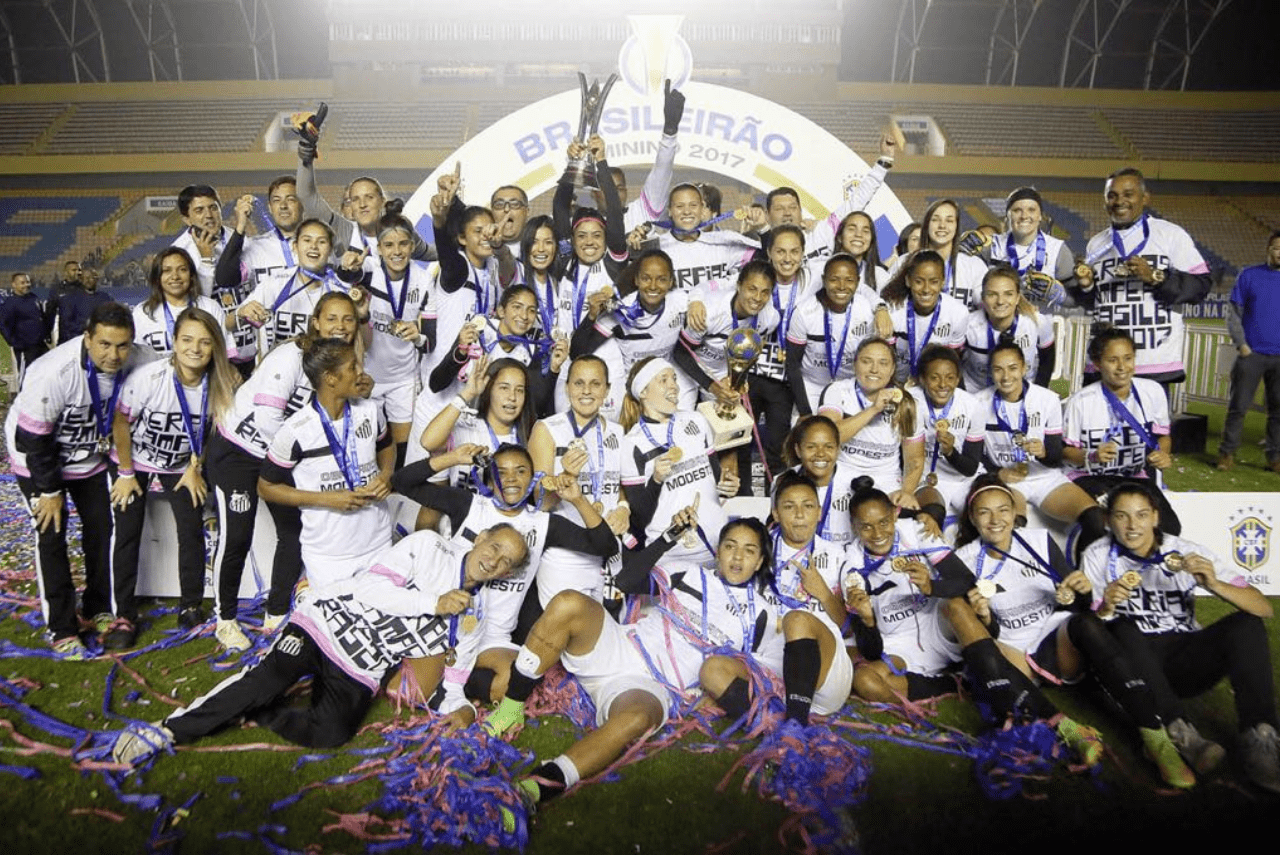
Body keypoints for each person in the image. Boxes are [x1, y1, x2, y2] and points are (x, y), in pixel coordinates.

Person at [110, 522, 532, 763]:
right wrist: (432, 602)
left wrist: (462, 713)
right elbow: (369, 590)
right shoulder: (430, 547)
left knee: (331, 733)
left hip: (361, 666)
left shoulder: (473, 619)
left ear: (507, 572)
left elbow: (454, 683)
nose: (494, 559)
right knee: (265, 680)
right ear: (479, 539)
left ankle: (259, 712)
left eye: (506, 561)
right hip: (323, 623)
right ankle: (167, 731)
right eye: (494, 546)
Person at [481, 515, 781, 808]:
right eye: (730, 545)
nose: (737, 556)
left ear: (760, 561)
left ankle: (537, 787)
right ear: (718, 551)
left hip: (652, 686)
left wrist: (709, 695)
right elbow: (626, 580)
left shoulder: (763, 615)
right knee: (568, 602)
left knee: (637, 719)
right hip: (622, 646)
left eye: (749, 550)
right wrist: (667, 538)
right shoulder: (688, 572)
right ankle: (511, 707)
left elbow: (752, 674)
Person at [954, 476, 1195, 788]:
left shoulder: (1039, 540)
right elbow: (979, 631)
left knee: (1086, 624)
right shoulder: (963, 559)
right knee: (987, 652)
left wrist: (1081, 588)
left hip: (1055, 642)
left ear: (1015, 513)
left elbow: (1075, 599)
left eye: (1003, 510)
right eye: (985, 513)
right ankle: (1069, 729)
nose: (995, 520)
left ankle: (1155, 738)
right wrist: (984, 615)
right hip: (1013, 654)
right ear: (973, 518)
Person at [843, 483, 1105, 766]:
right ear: (854, 528)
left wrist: (931, 585)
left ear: (894, 515)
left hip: (939, 624)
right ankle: (964, 682)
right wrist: (867, 620)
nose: (878, 533)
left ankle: (1059, 723)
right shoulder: (852, 566)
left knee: (955, 605)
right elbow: (870, 650)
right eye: (866, 527)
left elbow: (965, 582)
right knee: (865, 681)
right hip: (900, 645)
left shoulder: (916, 530)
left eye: (883, 522)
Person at [1080, 482, 1280, 793]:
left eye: (1141, 515)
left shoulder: (1186, 551)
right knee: (1122, 627)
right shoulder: (1097, 555)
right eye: (1121, 516)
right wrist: (1107, 605)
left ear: (1156, 517)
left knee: (1246, 624)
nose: (1132, 526)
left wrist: (1215, 584)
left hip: (1185, 656)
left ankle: (1261, 735)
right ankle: (1180, 733)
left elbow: (1263, 608)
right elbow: (1089, 633)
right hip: (1136, 666)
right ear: (1107, 521)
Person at [390, 443, 618, 703]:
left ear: (533, 479)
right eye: (502, 471)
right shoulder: (469, 505)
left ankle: (452, 682)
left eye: (520, 471)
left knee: (514, 682)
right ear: (489, 478)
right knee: (407, 695)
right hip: (444, 626)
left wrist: (578, 499)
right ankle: (441, 675)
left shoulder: (543, 524)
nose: (510, 478)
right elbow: (402, 482)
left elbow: (606, 546)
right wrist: (452, 458)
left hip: (493, 638)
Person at [207, 293, 363, 643]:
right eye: (332, 319)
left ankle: (276, 613)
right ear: (316, 323)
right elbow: (267, 420)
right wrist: (302, 463)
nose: (339, 326)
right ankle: (225, 619)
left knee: (293, 532)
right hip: (240, 452)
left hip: (278, 455)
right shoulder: (292, 356)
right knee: (237, 535)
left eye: (348, 319)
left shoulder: (344, 365)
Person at [5, 302, 155, 659]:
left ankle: (97, 606)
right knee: (51, 532)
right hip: (38, 457)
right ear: (87, 338)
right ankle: (61, 627)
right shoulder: (53, 371)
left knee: (102, 527)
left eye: (122, 345)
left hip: (89, 456)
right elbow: (32, 438)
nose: (114, 355)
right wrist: (50, 490)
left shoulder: (144, 360)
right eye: (104, 344)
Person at [105, 308, 239, 648]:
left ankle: (190, 603)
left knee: (191, 529)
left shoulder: (222, 383)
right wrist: (125, 472)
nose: (195, 349)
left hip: (182, 463)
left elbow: (214, 433)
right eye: (187, 340)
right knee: (126, 530)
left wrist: (196, 468)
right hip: (133, 458)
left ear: (215, 347)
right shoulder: (149, 378)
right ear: (174, 342)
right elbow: (122, 423)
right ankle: (123, 613)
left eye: (205, 342)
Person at [258, 337, 396, 600]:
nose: (361, 373)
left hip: (378, 543)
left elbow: (387, 446)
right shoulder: (295, 430)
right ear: (330, 378)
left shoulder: (370, 410)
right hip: (328, 555)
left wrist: (386, 475)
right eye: (353, 367)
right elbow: (266, 487)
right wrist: (327, 499)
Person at [1070, 167, 1212, 388]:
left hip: (1152, 364)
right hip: (1104, 363)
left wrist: (1155, 277)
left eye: (1128, 194)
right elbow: (1096, 303)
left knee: (1150, 424)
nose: (1119, 201)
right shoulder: (1096, 244)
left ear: (1145, 197)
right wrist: (1087, 286)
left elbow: (1201, 286)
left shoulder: (1170, 234)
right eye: (1112, 195)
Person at [977, 341, 1106, 557]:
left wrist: (1044, 453)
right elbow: (975, 454)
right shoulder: (978, 403)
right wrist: (997, 472)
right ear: (991, 372)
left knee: (1094, 518)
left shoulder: (1046, 399)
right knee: (1013, 525)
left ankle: (1082, 577)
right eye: (998, 369)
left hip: (1044, 477)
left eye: (1012, 368)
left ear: (1024, 368)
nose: (1006, 376)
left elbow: (1055, 457)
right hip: (1007, 480)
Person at [529, 355, 630, 610]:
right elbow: (540, 503)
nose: (586, 391)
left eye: (595, 384)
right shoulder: (547, 429)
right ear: (566, 387)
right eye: (578, 383)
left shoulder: (618, 432)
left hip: (608, 551)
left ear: (607, 389)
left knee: (605, 637)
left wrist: (623, 508)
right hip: (566, 556)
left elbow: (616, 485)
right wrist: (566, 477)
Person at [618, 357, 734, 563]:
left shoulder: (697, 420)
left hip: (718, 543)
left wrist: (727, 486)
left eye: (674, 379)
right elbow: (639, 519)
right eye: (663, 380)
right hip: (672, 555)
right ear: (643, 392)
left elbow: (715, 480)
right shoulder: (631, 444)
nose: (674, 386)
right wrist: (656, 480)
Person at [1063, 327, 1178, 533]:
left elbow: (1163, 436)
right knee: (1108, 523)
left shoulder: (1152, 392)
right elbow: (1066, 451)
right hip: (1089, 477)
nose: (1122, 367)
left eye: (1127, 358)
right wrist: (1092, 456)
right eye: (1112, 360)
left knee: (1169, 527)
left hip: (1134, 476)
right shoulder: (1081, 401)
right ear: (1098, 364)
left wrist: (1163, 453)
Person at [818, 338, 926, 514]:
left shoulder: (907, 403)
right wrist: (873, 410)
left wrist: (906, 492)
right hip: (841, 474)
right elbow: (828, 439)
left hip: (887, 480)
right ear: (855, 365)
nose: (874, 369)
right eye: (866, 361)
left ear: (892, 370)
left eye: (883, 363)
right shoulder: (837, 391)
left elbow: (914, 459)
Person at [234, 218, 353, 353]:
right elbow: (229, 324)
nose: (313, 246)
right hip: (277, 370)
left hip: (323, 370)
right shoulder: (275, 283)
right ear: (295, 246)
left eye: (321, 241)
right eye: (307, 240)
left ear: (330, 249)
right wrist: (241, 312)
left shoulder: (339, 290)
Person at [785, 253, 882, 415]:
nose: (842, 286)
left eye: (849, 280)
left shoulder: (865, 309)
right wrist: (805, 412)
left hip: (851, 386)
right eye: (834, 279)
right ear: (824, 280)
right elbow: (793, 365)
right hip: (812, 386)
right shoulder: (804, 312)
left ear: (858, 282)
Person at [1218, 230, 1280, 473]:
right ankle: (1227, 453)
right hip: (1251, 355)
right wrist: (1242, 345)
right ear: (1268, 249)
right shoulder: (1250, 275)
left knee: (1278, 412)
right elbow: (1233, 312)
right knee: (1238, 407)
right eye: (1276, 247)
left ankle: (1275, 457)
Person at [961, 186, 1075, 312]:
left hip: (1040, 327)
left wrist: (1058, 294)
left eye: (1031, 210)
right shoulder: (990, 246)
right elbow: (960, 277)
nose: (1024, 216)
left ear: (1040, 216)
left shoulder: (1057, 250)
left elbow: (1077, 301)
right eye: (1017, 210)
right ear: (1008, 216)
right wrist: (961, 248)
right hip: (995, 326)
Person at [909, 346, 985, 531]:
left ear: (958, 379)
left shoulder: (972, 405)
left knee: (986, 513)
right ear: (922, 379)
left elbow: (970, 468)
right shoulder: (911, 402)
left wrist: (951, 452)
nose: (943, 385)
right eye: (934, 378)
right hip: (924, 479)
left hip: (962, 479)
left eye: (950, 378)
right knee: (932, 515)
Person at [960, 264, 1055, 392]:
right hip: (976, 393)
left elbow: (1048, 359)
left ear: (1017, 298)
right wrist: (962, 395)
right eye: (992, 294)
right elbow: (952, 361)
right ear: (983, 298)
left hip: (1022, 393)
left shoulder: (1037, 322)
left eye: (1008, 294)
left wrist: (1036, 394)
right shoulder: (967, 324)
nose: (1000, 301)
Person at [882, 249, 969, 384]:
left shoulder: (958, 313)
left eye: (934, 281)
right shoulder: (893, 309)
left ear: (943, 282)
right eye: (919, 281)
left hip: (933, 385)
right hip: (896, 383)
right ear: (908, 281)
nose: (926, 289)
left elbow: (953, 362)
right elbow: (885, 358)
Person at [131, 247, 231, 356]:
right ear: (157, 277)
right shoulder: (142, 312)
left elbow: (223, 355)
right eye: (167, 271)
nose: (175, 276)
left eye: (182, 269)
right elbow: (136, 359)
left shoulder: (210, 308)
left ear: (191, 275)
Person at [913, 199, 986, 307]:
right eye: (935, 220)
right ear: (926, 224)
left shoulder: (974, 266)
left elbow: (989, 305)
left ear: (957, 226)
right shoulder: (906, 262)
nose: (942, 226)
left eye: (949, 221)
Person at [170, 184, 232, 297]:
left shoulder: (238, 238)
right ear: (187, 220)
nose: (209, 215)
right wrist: (206, 260)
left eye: (213, 208)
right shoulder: (178, 253)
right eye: (199, 210)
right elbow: (192, 300)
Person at [0, 272, 50, 388]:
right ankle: (22, 403)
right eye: (22, 283)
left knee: (47, 372)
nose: (26, 285)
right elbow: (3, 324)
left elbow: (41, 317)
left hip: (40, 345)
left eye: (27, 282)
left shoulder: (33, 297)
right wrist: (13, 341)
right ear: (14, 285)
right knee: (27, 377)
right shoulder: (10, 303)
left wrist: (46, 334)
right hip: (25, 348)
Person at [54, 260, 111, 345]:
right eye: (85, 278)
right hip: (77, 342)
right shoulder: (70, 298)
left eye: (91, 278)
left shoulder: (105, 298)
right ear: (81, 280)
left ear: (96, 279)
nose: (88, 280)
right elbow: (66, 325)